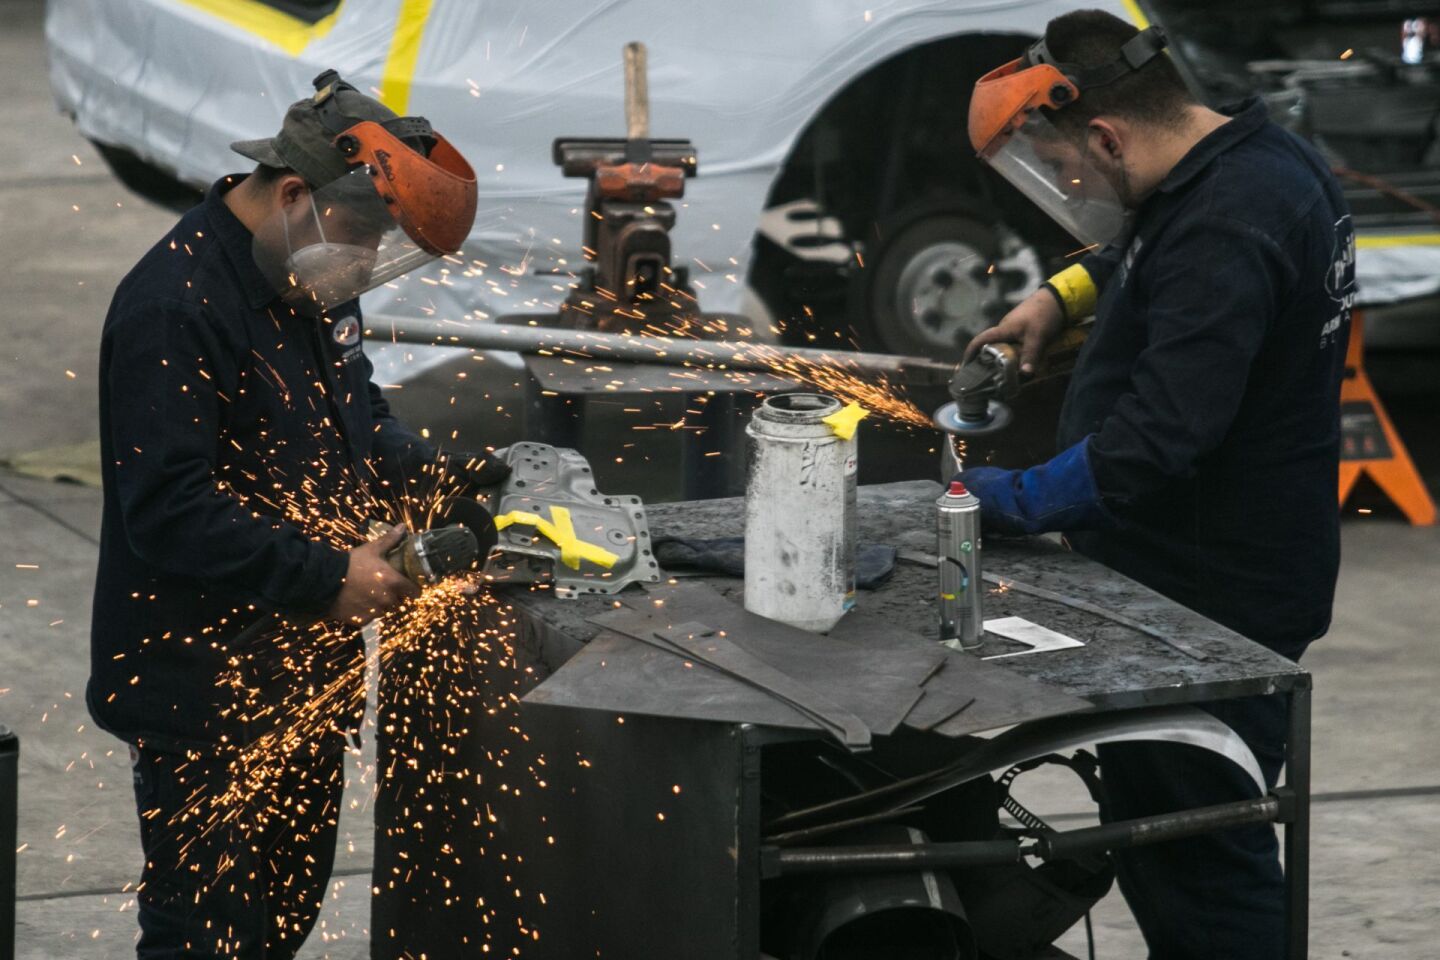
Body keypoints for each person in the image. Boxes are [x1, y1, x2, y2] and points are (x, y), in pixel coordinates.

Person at [957, 11, 1353, 958]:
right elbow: (1143, 248)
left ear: (1104, 133)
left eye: (1068, 170)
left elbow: (1153, 443)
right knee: (1169, 847)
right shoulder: (1249, 161)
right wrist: (1060, 297)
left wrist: (1001, 503)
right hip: (1196, 580)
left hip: (1215, 603)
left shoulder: (1227, 219)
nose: (1072, 190)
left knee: (1204, 863)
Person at [89, 71, 507, 959]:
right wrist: (329, 576)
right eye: (362, 240)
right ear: (292, 193)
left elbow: (359, 427)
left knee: (277, 921)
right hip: (204, 694)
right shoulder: (174, 306)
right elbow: (166, 511)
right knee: (206, 934)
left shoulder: (310, 274)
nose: (363, 267)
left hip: (298, 677)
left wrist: (462, 479)